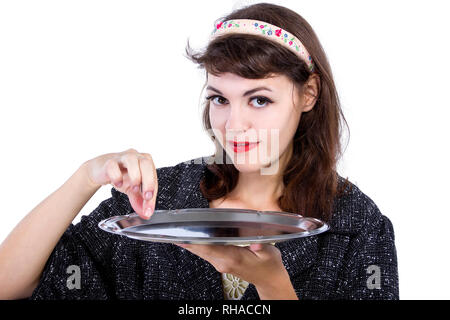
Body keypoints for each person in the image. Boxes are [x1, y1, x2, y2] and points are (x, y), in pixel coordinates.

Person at [0, 3, 399, 300]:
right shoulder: (156, 201)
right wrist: (87, 176)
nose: (234, 124)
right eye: (220, 99)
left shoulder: (359, 225)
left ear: (308, 93)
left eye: (259, 100)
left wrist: (273, 285)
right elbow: (10, 285)